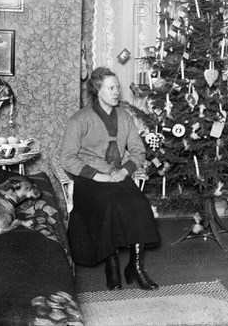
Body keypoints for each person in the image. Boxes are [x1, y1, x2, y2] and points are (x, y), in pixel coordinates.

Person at [60, 67, 160, 290]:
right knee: (108, 204)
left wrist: (124, 171)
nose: (117, 92)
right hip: (90, 178)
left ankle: (135, 266)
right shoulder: (79, 119)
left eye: (118, 88)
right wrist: (98, 177)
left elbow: (138, 151)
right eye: (111, 88)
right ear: (98, 90)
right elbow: (67, 158)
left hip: (118, 174)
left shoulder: (125, 117)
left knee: (139, 203)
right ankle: (111, 264)